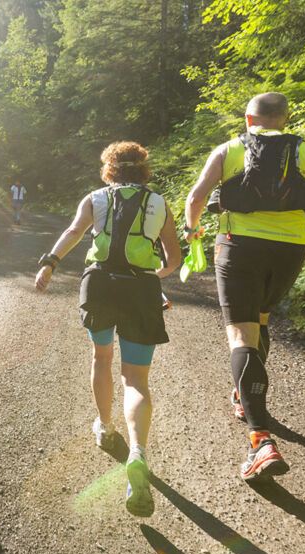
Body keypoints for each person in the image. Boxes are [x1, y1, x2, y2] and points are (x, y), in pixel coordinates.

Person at [184, 92, 305, 481]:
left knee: (241, 337)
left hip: (238, 248)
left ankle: (261, 442)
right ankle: (247, 396)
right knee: (260, 320)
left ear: (248, 118)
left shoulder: (228, 149)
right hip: (289, 251)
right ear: (285, 120)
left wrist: (192, 234)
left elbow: (196, 196)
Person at [35, 141, 181, 517]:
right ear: (143, 169)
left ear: (110, 169)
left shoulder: (96, 198)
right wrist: (154, 277)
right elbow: (173, 259)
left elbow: (72, 231)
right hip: (140, 287)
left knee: (102, 357)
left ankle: (104, 425)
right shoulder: (159, 203)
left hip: (98, 282)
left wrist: (50, 263)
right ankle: (138, 451)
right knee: (136, 380)